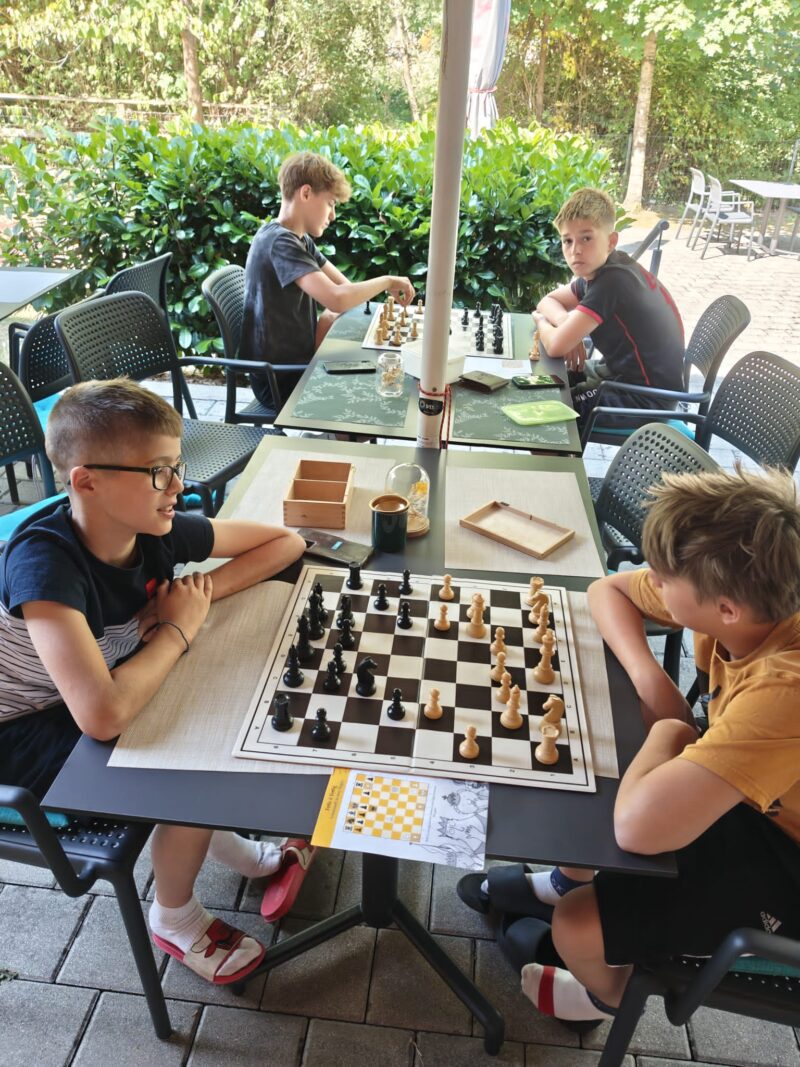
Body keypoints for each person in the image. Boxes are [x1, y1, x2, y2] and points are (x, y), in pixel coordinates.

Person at [458, 466, 800, 1028]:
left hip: (786, 855)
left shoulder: (784, 689)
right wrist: (651, 679)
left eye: (664, 578)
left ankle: (608, 998)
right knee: (609, 758)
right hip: (758, 792)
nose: (652, 581)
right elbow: (608, 589)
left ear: (726, 610)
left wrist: (674, 730)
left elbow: (639, 829)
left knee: (575, 926)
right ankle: (569, 881)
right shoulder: (743, 598)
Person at [0, 379, 311, 986]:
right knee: (192, 760)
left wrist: (197, 596)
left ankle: (237, 852)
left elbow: (287, 541)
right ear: (86, 481)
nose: (179, 487)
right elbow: (103, 717)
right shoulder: (45, 564)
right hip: (20, 727)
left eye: (176, 467)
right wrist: (176, 630)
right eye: (158, 472)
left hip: (82, 689)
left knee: (207, 712)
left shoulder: (150, 527)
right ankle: (175, 917)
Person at [242, 151, 415, 413]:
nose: (333, 215)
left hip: (294, 364)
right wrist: (387, 280)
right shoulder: (280, 242)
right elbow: (337, 298)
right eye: (331, 203)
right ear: (306, 193)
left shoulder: (298, 239)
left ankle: (336, 433)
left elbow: (344, 289)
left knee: (362, 360)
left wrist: (358, 297)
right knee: (372, 389)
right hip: (280, 379)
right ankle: (336, 433)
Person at [532, 187, 685, 431]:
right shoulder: (602, 270)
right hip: (619, 376)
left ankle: (556, 455)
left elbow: (555, 345)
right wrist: (564, 324)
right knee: (539, 382)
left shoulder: (613, 282)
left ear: (611, 241)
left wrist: (542, 322)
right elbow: (548, 300)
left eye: (586, 238)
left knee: (546, 411)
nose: (575, 250)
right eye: (567, 240)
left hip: (645, 399)